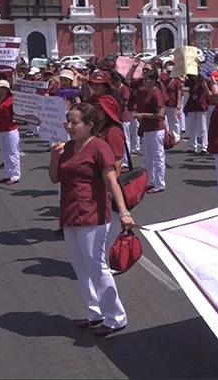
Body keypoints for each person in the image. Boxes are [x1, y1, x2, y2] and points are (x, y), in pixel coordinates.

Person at [48, 103, 135, 338]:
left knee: (96, 266)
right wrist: (54, 158)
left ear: (89, 125)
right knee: (80, 265)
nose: (69, 126)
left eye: (74, 122)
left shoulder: (99, 147)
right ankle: (94, 311)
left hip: (93, 215)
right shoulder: (66, 148)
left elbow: (111, 181)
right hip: (70, 213)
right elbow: (54, 179)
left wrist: (124, 211)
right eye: (68, 121)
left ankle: (116, 316)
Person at [96, 94, 129, 233]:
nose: (96, 111)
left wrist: (111, 188)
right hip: (100, 180)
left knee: (112, 228)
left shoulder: (113, 132)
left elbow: (117, 161)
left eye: (99, 109)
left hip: (109, 183)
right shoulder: (100, 129)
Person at [135, 69, 166, 193]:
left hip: (156, 129)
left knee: (158, 156)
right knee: (148, 157)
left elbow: (160, 114)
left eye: (146, 79)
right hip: (148, 128)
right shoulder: (147, 92)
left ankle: (160, 183)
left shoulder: (156, 94)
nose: (144, 81)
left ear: (153, 81)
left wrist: (143, 115)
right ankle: (151, 181)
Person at [0, 79, 21, 184]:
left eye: (3, 88)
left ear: (7, 90)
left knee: (12, 153)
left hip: (10, 129)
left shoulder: (12, 99)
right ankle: (7, 174)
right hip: (0, 128)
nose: (1, 90)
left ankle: (15, 175)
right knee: (4, 153)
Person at [184, 74, 209, 154]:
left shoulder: (203, 80)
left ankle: (204, 147)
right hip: (192, 105)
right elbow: (183, 83)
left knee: (203, 127)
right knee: (191, 127)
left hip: (201, 105)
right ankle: (192, 146)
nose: (193, 76)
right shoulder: (190, 81)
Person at [164, 72, 184, 143]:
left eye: (170, 72)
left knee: (175, 120)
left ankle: (176, 137)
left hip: (174, 103)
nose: (169, 73)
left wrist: (178, 103)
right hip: (167, 103)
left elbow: (179, 93)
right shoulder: (166, 81)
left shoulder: (176, 81)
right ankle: (170, 136)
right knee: (168, 120)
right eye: (168, 72)